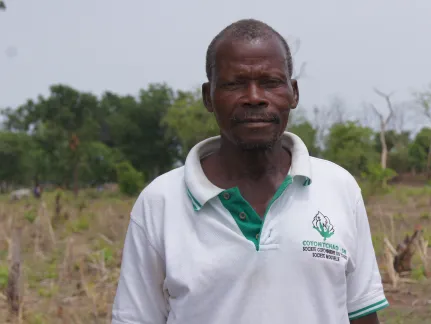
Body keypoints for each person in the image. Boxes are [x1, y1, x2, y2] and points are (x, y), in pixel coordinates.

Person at [111, 18, 388, 324]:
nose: (255, 97)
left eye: (270, 82)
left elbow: (361, 313)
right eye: (234, 84)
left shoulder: (338, 187)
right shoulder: (160, 202)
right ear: (208, 97)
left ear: (294, 93)